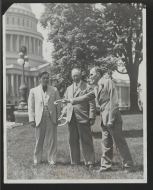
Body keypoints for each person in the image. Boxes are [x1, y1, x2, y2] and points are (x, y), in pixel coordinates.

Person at [64, 67, 135, 173]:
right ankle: (106, 166)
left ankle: (129, 166)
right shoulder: (96, 87)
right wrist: (70, 100)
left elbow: (114, 101)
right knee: (106, 143)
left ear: (97, 73)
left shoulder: (108, 82)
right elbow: (86, 96)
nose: (90, 77)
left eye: (91, 74)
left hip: (112, 119)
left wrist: (111, 119)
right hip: (104, 120)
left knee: (119, 142)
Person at [61, 68, 96, 169]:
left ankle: (90, 162)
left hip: (83, 116)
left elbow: (92, 104)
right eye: (73, 76)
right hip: (71, 117)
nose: (75, 77)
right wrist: (64, 112)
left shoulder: (87, 87)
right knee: (72, 140)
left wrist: (92, 117)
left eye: (77, 75)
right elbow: (65, 102)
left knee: (86, 139)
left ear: (81, 75)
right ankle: (75, 161)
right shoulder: (68, 88)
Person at [28, 71, 61, 166]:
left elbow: (58, 104)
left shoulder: (54, 90)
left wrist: (58, 117)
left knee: (52, 140)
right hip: (39, 118)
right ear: (39, 79)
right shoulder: (33, 91)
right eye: (43, 78)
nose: (46, 80)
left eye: (47, 78)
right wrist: (32, 119)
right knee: (39, 140)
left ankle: (52, 160)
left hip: (51, 118)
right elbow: (31, 106)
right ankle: (37, 159)